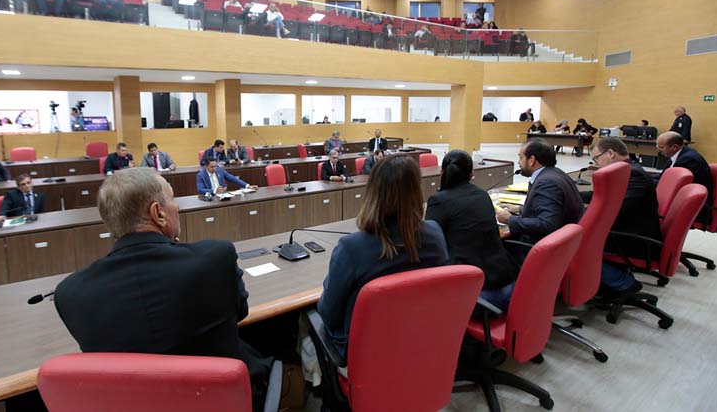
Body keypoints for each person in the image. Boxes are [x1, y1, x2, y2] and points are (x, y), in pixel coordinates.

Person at [53, 168, 273, 409]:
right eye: (173, 199)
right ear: (158, 213)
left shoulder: (70, 294)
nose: (176, 207)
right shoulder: (214, 258)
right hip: (225, 401)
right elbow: (240, 312)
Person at [317, 156, 450, 362]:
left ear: (372, 193)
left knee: (305, 320)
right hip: (420, 342)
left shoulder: (351, 248)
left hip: (365, 355)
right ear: (416, 191)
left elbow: (328, 313)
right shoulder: (434, 233)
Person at [425, 150, 519, 311]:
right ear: (472, 174)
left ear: (442, 172)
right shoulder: (483, 195)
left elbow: (430, 244)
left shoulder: (438, 201)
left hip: (479, 300)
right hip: (509, 288)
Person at [582, 138, 660, 296]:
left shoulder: (633, 174)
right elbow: (602, 196)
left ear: (610, 153)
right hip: (628, 230)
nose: (596, 164)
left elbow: (615, 211)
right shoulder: (626, 170)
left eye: (597, 158)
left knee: (574, 245)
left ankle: (625, 283)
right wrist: (573, 195)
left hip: (634, 240)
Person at [496, 139, 584, 250]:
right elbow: (551, 210)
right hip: (565, 243)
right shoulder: (556, 173)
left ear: (531, 160)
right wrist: (519, 209)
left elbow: (547, 224)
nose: (518, 162)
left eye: (521, 157)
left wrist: (510, 219)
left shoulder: (546, 183)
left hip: (543, 248)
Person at [656, 131, 713, 225]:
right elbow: (663, 177)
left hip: (695, 207)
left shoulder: (689, 159)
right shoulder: (677, 156)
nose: (658, 150)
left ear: (674, 147)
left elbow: (672, 186)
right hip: (679, 198)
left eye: (661, 147)